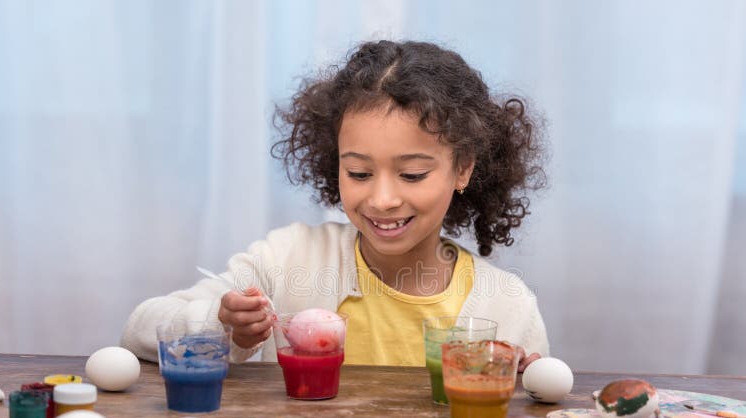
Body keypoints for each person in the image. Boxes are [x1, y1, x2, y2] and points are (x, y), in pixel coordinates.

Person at [121, 40, 549, 369]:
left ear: (462, 170)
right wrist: (224, 328)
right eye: (360, 174)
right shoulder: (287, 260)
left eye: (413, 175)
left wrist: (529, 392)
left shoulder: (505, 304)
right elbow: (140, 329)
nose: (382, 199)